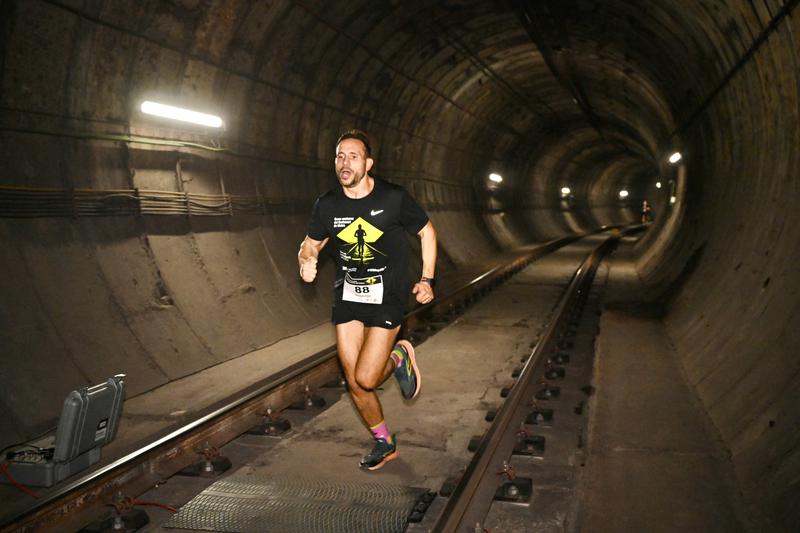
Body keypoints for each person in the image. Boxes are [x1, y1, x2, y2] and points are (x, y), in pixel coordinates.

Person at [298, 129, 437, 470]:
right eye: (340, 156)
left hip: (388, 295)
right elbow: (311, 243)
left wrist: (426, 279)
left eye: (353, 156)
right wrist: (306, 259)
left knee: (368, 378)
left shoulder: (393, 198)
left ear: (368, 163)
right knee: (353, 381)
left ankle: (399, 356)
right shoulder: (327, 204)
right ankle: (384, 442)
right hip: (348, 296)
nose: (345, 163)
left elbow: (426, 232)